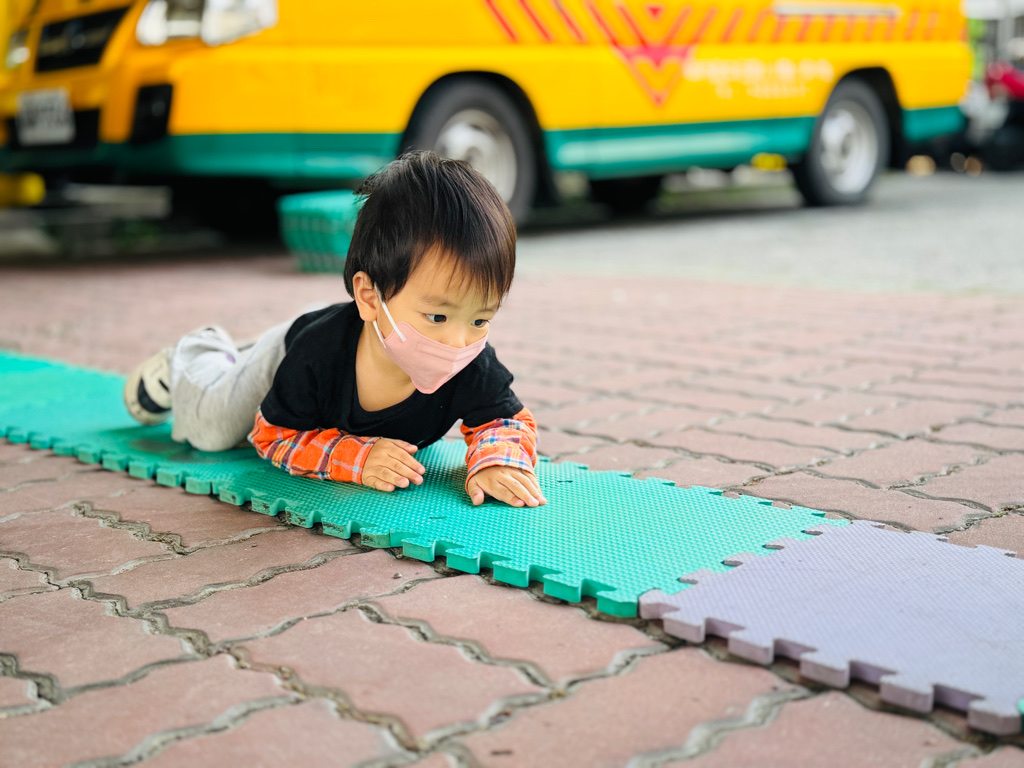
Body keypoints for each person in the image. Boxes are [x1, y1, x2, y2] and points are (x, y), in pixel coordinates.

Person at [124, 151, 545, 508]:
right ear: (370, 296)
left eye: (480, 320)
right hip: (289, 352)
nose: (457, 343)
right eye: (437, 317)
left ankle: (246, 349)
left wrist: (498, 461)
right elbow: (273, 436)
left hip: (355, 328)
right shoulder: (316, 356)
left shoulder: (471, 361)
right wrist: (354, 458)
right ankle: (200, 353)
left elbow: (505, 420)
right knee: (215, 431)